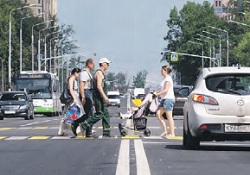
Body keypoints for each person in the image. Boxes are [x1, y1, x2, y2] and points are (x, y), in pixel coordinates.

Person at [78, 58, 112, 138]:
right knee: (100, 114)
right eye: (107, 64)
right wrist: (104, 97)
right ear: (103, 64)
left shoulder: (101, 73)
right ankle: (84, 125)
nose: (108, 66)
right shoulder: (99, 73)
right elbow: (99, 86)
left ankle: (106, 132)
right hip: (99, 97)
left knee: (106, 114)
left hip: (99, 96)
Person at [71, 58, 95, 137]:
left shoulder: (88, 73)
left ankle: (87, 130)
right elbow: (81, 85)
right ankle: (77, 124)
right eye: (92, 64)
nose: (93, 65)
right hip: (86, 93)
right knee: (89, 114)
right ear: (89, 64)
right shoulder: (84, 73)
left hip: (88, 93)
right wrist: (83, 97)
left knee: (88, 113)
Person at [58, 68, 84, 136]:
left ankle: (63, 130)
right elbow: (71, 90)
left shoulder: (72, 78)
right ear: (75, 72)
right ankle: (78, 129)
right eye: (78, 74)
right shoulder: (71, 78)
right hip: (73, 97)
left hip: (74, 97)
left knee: (69, 114)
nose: (79, 75)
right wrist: (74, 98)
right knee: (76, 113)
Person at [154, 65, 175, 139]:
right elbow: (162, 89)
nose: (161, 71)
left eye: (162, 70)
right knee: (158, 114)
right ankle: (165, 130)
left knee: (169, 116)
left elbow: (166, 90)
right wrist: (157, 92)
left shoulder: (168, 79)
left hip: (168, 99)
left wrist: (157, 94)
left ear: (165, 71)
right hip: (164, 99)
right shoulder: (165, 79)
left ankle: (172, 133)